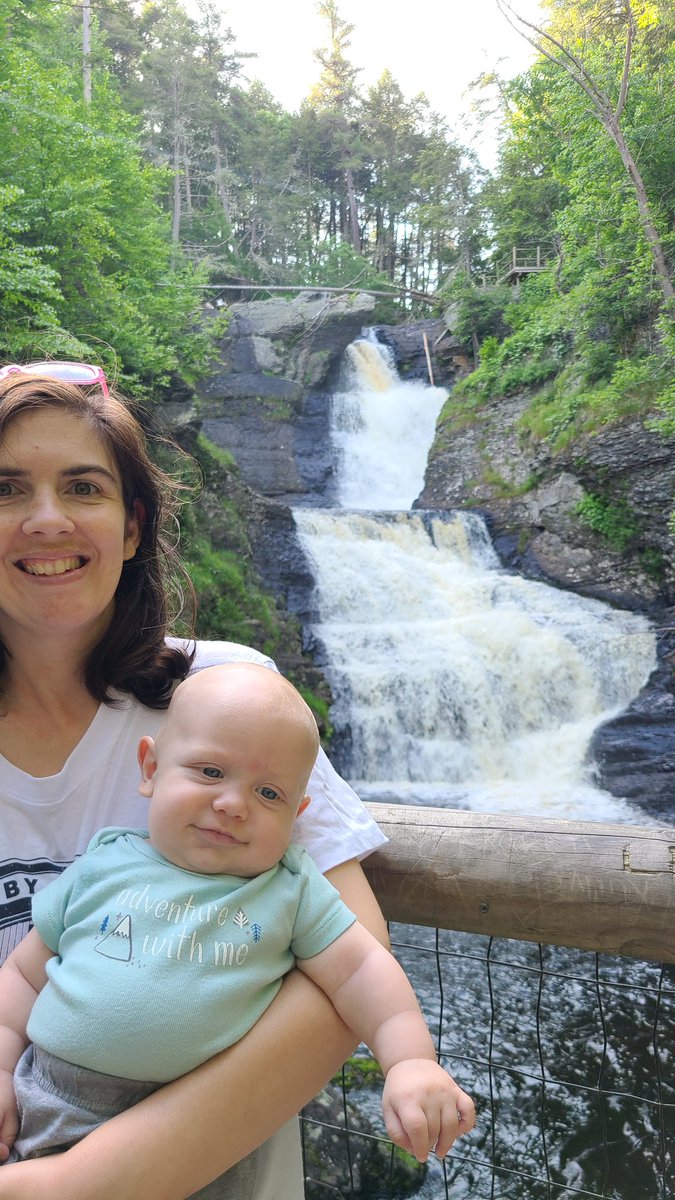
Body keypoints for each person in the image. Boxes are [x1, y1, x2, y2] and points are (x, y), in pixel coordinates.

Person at [0, 362, 474, 1200]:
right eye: (6, 489)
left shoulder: (235, 704)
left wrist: (80, 1184)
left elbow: (345, 980)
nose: (46, 519)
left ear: (134, 524)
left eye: (83, 487)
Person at [0, 661, 468, 1176]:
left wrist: (410, 1062)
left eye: (269, 794)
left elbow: (362, 970)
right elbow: (24, 974)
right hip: (45, 1101)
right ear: (151, 769)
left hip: (199, 1134)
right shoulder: (103, 862)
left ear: (299, 813)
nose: (232, 804)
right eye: (211, 772)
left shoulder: (289, 888)